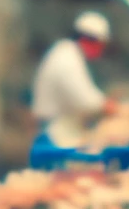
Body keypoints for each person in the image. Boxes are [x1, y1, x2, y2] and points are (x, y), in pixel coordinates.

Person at [31, 10, 115, 144]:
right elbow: (84, 99)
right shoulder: (67, 58)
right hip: (55, 130)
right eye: (101, 46)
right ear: (89, 41)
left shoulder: (67, 52)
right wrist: (106, 105)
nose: (101, 51)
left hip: (58, 126)